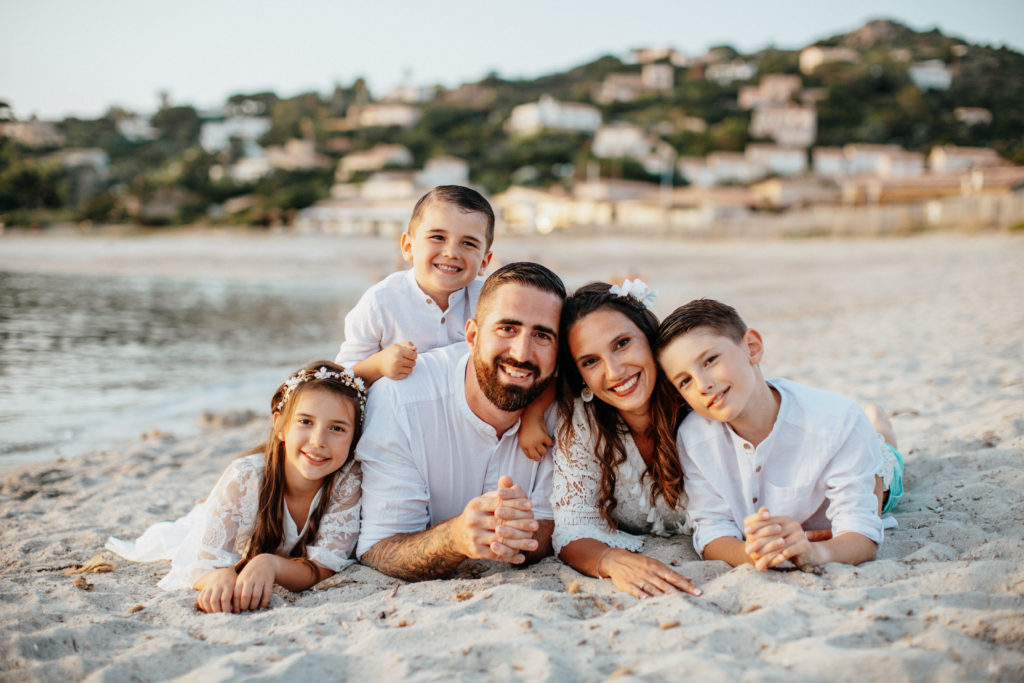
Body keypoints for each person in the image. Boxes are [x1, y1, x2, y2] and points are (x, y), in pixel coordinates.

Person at [654, 298, 905, 571]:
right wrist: (760, 555)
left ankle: (878, 425)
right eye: (685, 381)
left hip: (865, 462)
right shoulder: (693, 438)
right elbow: (712, 530)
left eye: (710, 360)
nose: (703, 385)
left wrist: (812, 552)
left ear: (752, 348)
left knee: (885, 456)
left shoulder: (838, 422)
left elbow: (863, 534)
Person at [355, 262, 565, 581]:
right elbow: (379, 548)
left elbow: (557, 523)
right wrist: (456, 538)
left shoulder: (565, 411)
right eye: (507, 328)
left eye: (542, 335)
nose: (522, 352)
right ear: (472, 334)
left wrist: (518, 533)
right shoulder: (400, 399)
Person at [106, 361, 365, 613]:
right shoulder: (246, 477)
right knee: (186, 531)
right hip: (226, 509)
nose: (319, 440)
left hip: (259, 533)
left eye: (337, 428)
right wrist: (217, 577)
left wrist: (270, 564)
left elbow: (323, 567)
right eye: (305, 422)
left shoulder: (347, 480)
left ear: (354, 438)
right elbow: (201, 563)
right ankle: (205, 505)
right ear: (279, 425)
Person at [552, 280, 703, 600]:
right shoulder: (584, 421)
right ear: (580, 376)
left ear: (649, 337)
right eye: (590, 361)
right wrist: (610, 560)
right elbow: (571, 526)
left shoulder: (698, 395)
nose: (615, 370)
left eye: (622, 343)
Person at [335, 185, 494, 386]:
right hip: (398, 413)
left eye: (469, 243)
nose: (451, 252)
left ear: (484, 262)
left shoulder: (490, 303)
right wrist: (377, 365)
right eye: (438, 237)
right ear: (408, 247)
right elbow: (341, 380)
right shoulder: (380, 302)